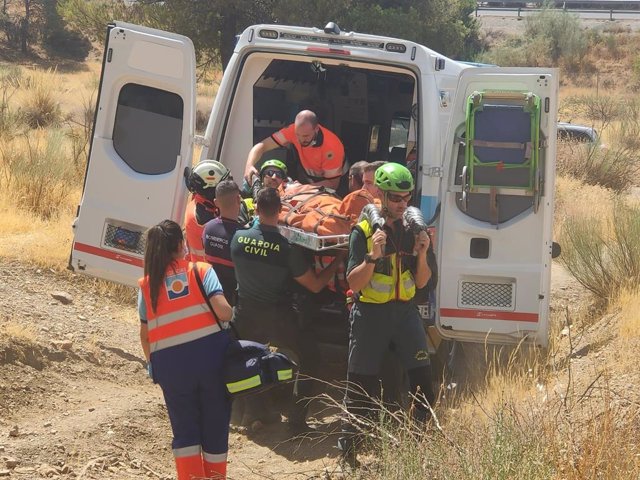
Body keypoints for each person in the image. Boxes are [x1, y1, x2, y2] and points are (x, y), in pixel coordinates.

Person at [338, 163, 436, 465]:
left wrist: (421, 254)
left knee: (425, 388)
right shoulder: (364, 231)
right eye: (395, 198)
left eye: (406, 197)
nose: (402, 204)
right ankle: (348, 456)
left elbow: (421, 282)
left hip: (405, 314)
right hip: (371, 315)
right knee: (359, 391)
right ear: (380, 194)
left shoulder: (413, 229)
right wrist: (372, 257)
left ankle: (415, 452)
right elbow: (353, 283)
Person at [230, 187, 345, 432]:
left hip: (245, 314)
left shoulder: (237, 239)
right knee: (309, 358)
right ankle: (296, 421)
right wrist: (337, 260)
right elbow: (314, 286)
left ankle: (252, 412)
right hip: (277, 317)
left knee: (247, 361)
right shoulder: (286, 249)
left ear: (257, 209)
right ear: (281, 211)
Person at [138, 220, 233, 480]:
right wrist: (233, 313)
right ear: (181, 244)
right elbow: (223, 311)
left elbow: (145, 336)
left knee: (185, 432)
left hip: (171, 369)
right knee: (214, 425)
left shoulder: (147, 285)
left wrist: (152, 366)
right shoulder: (201, 271)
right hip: (211, 362)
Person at [244, 110, 345, 190]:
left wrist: (301, 188)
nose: (301, 140)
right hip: (310, 179)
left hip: (336, 181)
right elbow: (262, 146)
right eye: (297, 135)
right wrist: (249, 165)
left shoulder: (331, 146)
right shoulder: (292, 131)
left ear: (316, 129)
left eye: (305, 136)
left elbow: (333, 184)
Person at [202, 180, 245, 306]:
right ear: (238, 200)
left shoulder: (208, 228)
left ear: (216, 202)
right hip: (230, 299)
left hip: (208, 292)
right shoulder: (243, 235)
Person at [184, 160, 231, 262]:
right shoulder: (203, 218)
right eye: (223, 186)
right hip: (205, 271)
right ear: (211, 190)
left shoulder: (201, 200)